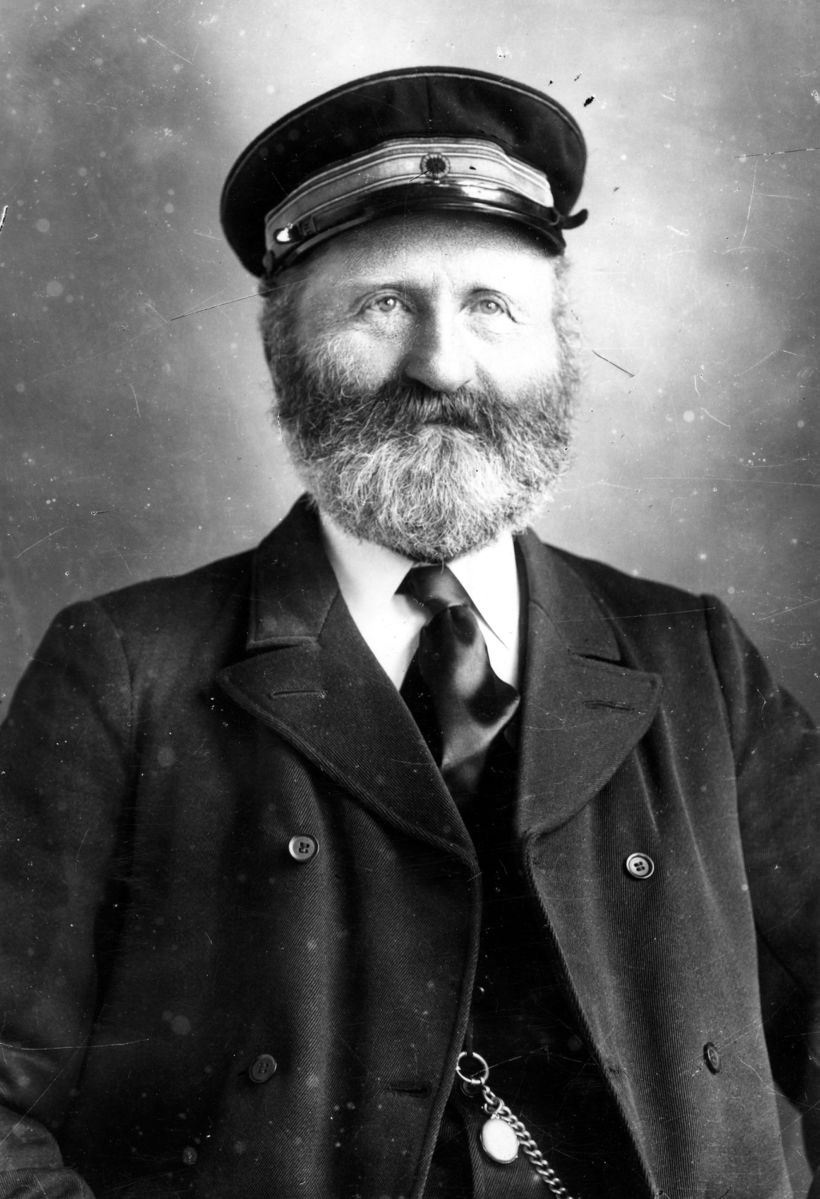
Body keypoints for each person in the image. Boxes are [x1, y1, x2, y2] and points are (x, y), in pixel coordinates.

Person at [0, 65, 817, 1199]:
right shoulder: (124, 669)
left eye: (490, 305)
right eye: (382, 305)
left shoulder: (695, 657)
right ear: (283, 348)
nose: (441, 363)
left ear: (556, 342)